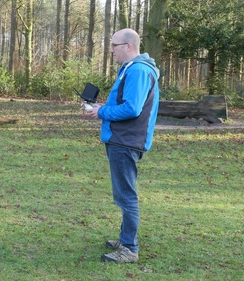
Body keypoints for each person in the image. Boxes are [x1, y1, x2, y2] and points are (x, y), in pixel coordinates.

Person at [86, 28, 160, 263]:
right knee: (124, 194)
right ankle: (125, 238)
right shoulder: (132, 69)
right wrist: (100, 108)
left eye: (114, 45)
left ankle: (129, 248)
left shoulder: (138, 70)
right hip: (123, 139)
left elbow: (132, 108)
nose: (111, 50)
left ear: (128, 46)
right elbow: (125, 103)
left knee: (126, 196)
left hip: (126, 141)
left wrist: (101, 112)